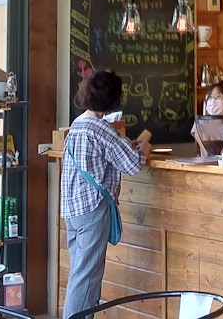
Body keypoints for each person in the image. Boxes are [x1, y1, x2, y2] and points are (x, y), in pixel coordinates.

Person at [61, 70, 151, 319]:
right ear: (113, 99)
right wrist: (145, 148)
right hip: (92, 208)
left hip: (72, 209)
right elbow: (133, 164)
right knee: (86, 277)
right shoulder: (101, 129)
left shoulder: (77, 124)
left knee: (80, 272)